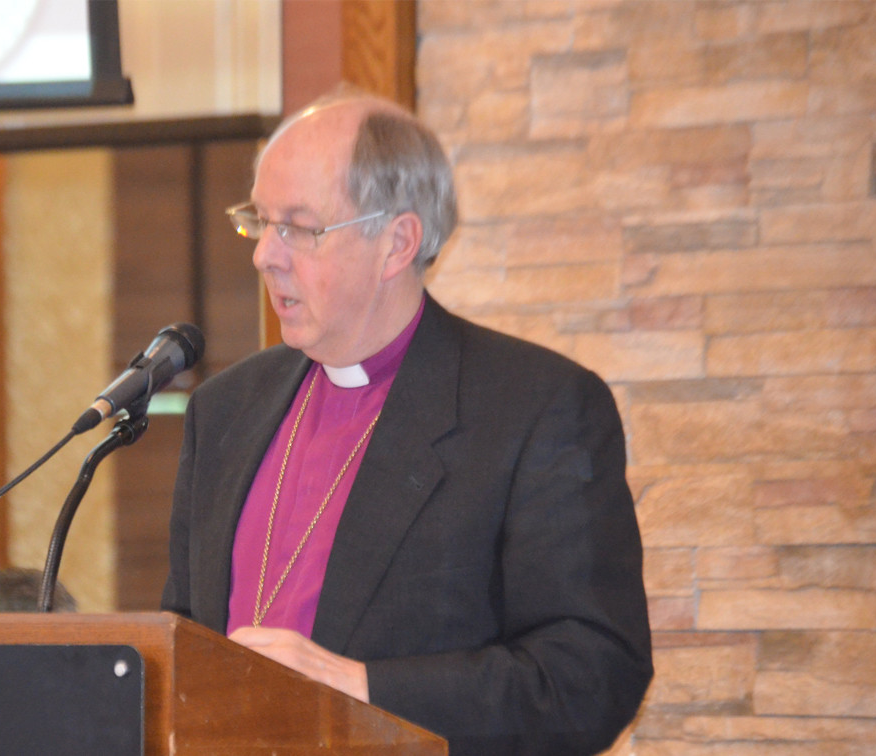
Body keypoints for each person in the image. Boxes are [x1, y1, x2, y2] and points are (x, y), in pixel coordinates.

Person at [161, 90, 652, 754]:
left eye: (299, 228)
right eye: (260, 221)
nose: (264, 256)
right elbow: (183, 637)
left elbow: (590, 675)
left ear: (397, 242)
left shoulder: (534, 408)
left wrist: (362, 687)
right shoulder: (224, 411)